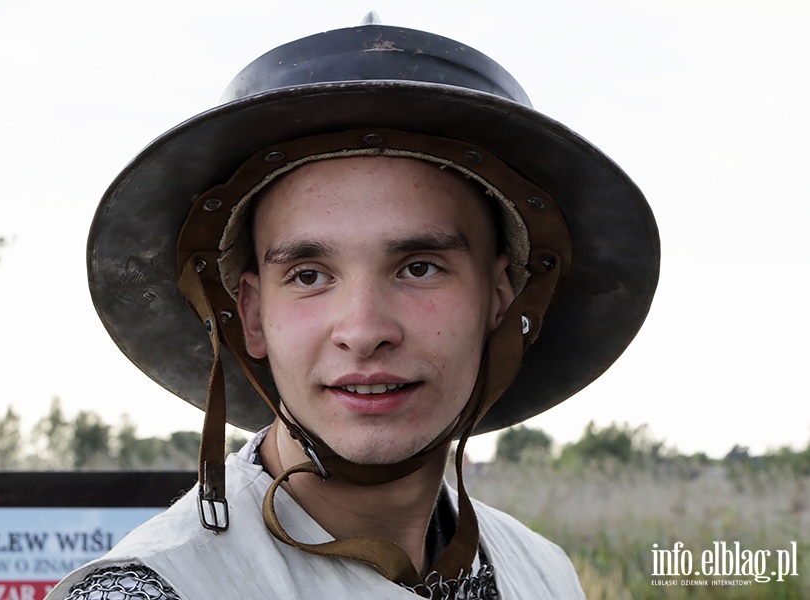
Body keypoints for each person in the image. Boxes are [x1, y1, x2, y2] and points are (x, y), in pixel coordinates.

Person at [48, 15, 659, 600]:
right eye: (310, 275)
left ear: (501, 299)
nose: (364, 332)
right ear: (252, 315)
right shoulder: (154, 591)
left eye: (419, 267)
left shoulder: (543, 574)